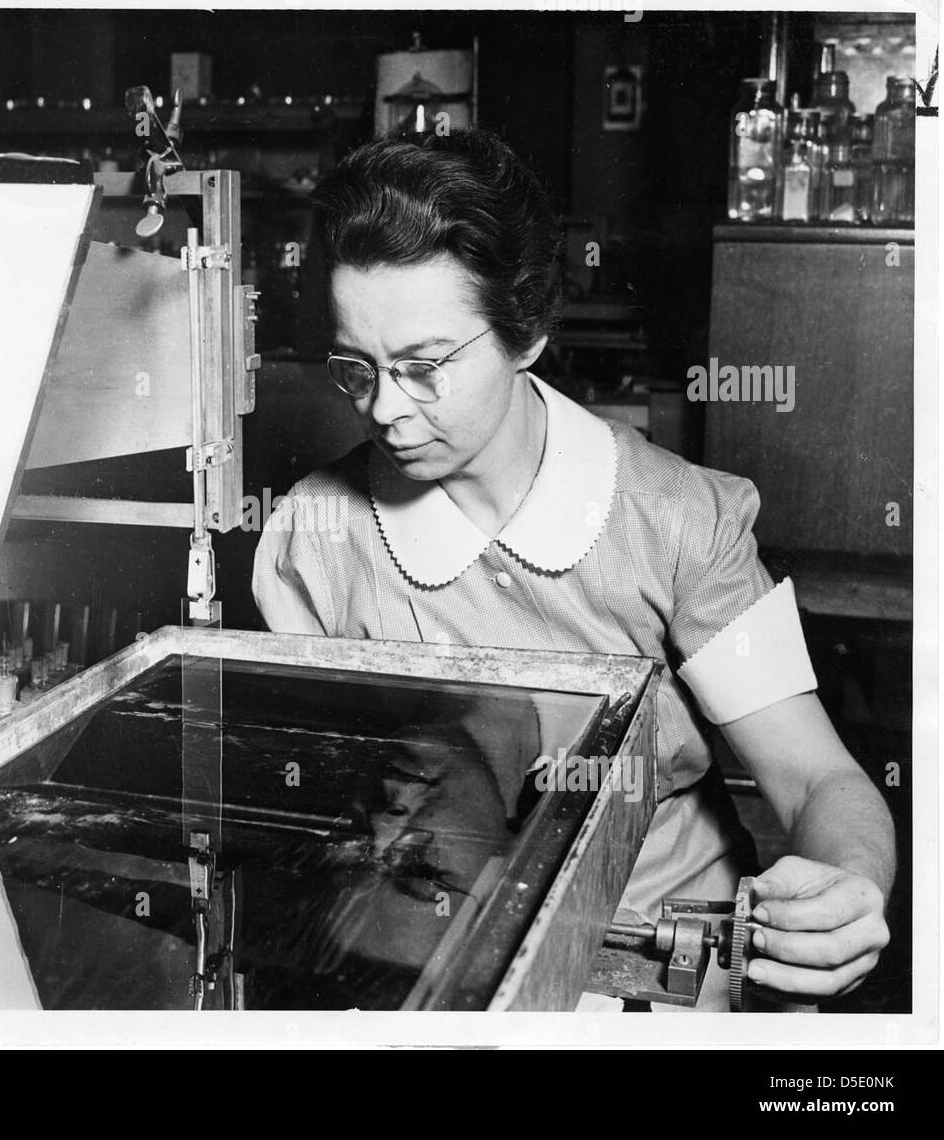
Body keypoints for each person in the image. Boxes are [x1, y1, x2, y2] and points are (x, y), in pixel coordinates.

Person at [251, 129, 894, 1011]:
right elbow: (319, 816)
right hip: (424, 971)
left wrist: (844, 890)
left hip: (657, 981)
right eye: (356, 367)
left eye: (425, 367)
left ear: (527, 333)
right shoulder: (313, 537)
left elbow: (818, 778)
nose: (386, 408)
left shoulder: (676, 520)